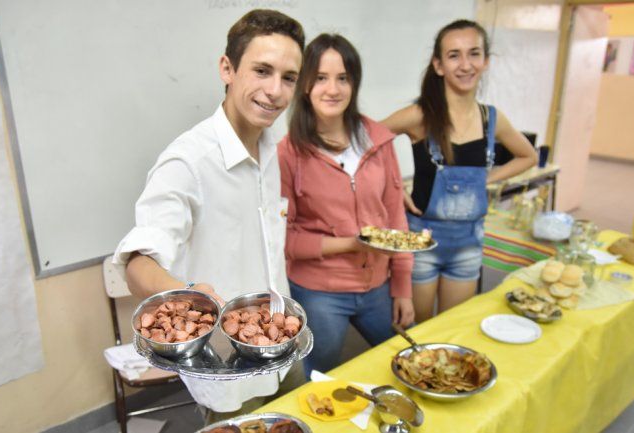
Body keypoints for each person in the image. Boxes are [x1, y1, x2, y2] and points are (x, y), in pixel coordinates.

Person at [112, 9, 305, 418]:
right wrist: (191, 297)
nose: (275, 91)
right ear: (227, 68)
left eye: (288, 78)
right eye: (262, 71)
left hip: (283, 342)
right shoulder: (188, 161)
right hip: (228, 363)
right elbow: (137, 262)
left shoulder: (271, 146)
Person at [278, 34, 414, 378]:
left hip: (378, 285)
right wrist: (351, 244)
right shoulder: (288, 153)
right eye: (321, 78)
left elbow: (395, 217)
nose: (332, 89)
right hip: (320, 291)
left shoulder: (378, 140)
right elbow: (284, 239)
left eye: (343, 78)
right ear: (305, 84)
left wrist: (402, 287)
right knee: (318, 377)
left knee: (404, 363)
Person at [382, 20, 537, 323]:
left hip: (468, 245)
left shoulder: (492, 119)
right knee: (419, 332)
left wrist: (487, 178)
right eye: (454, 55)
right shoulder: (420, 115)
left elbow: (528, 156)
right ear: (438, 65)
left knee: (454, 327)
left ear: (486, 61)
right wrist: (393, 185)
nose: (465, 64)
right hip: (422, 243)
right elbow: (367, 140)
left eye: (474, 54)